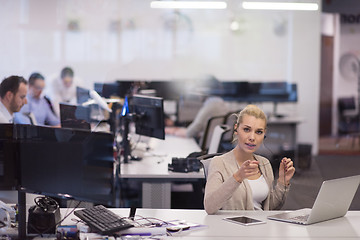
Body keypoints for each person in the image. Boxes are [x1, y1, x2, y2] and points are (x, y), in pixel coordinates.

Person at [204, 104, 295, 214]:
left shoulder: (264, 163)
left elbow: (269, 209)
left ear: (264, 134)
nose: (252, 137)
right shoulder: (219, 162)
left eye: (259, 132)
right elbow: (209, 207)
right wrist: (238, 177)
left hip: (261, 228)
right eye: (247, 129)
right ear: (236, 129)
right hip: (232, 229)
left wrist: (282, 181)